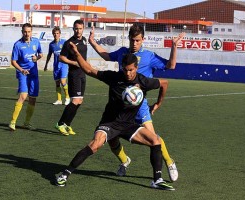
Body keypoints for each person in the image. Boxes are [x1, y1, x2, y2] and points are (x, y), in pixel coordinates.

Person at [55, 43, 174, 191]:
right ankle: (64, 174)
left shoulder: (143, 81)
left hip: (129, 125)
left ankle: (157, 180)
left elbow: (164, 83)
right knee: (95, 144)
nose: (128, 73)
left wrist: (158, 103)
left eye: (131, 70)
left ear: (136, 68)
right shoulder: (114, 77)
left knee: (155, 140)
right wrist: (77, 53)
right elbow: (89, 70)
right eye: (125, 69)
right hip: (110, 122)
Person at [89, 24, 185, 181]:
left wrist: (174, 46)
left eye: (138, 40)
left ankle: (169, 161)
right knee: (112, 139)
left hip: (140, 105)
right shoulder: (122, 53)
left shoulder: (149, 56)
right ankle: (124, 161)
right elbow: (106, 56)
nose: (135, 43)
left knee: (153, 138)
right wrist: (93, 42)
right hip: (119, 105)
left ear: (143, 40)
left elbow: (171, 65)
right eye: (132, 40)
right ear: (128, 39)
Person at [55, 19, 87, 136]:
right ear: (73, 29)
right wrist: (74, 63)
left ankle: (67, 124)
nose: (78, 31)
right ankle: (60, 123)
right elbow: (61, 58)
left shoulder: (84, 40)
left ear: (83, 29)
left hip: (83, 73)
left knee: (79, 101)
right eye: (76, 28)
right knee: (75, 100)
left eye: (80, 28)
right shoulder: (69, 43)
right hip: (74, 75)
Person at [8, 23, 43, 131]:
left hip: (33, 74)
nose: (27, 34)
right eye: (25, 32)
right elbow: (13, 61)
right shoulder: (17, 44)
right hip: (22, 73)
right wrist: (22, 70)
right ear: (22, 32)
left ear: (31, 31)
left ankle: (26, 123)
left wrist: (36, 58)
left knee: (33, 99)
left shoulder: (36, 41)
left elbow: (41, 54)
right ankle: (12, 122)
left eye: (29, 31)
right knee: (23, 96)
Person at [44, 27, 70, 106]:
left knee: (63, 81)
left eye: (57, 33)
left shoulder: (64, 42)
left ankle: (67, 98)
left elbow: (70, 52)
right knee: (57, 83)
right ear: (53, 34)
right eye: (54, 33)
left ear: (60, 34)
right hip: (56, 66)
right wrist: (46, 65)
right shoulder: (51, 44)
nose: (56, 35)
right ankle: (59, 100)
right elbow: (49, 55)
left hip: (64, 65)